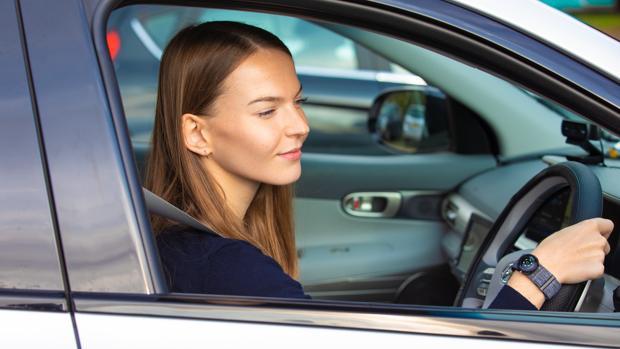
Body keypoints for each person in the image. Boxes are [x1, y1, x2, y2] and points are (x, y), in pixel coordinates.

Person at [144, 21, 614, 309]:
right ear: (197, 133)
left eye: (298, 102)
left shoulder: (188, 247)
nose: (300, 126)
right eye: (267, 111)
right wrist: (539, 273)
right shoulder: (227, 270)